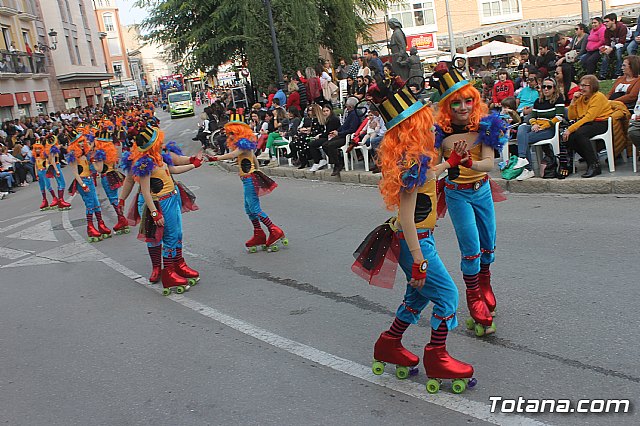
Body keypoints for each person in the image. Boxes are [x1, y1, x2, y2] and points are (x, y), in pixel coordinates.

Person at [352, 78, 475, 392]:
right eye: (424, 117)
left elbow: (429, 176)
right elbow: (406, 214)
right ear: (414, 125)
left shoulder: (417, 157)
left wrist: (452, 162)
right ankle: (437, 357)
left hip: (418, 239)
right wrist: (419, 260)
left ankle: (389, 342)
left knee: (418, 296)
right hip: (415, 241)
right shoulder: (411, 161)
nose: (431, 120)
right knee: (447, 296)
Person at [432, 61, 507, 336]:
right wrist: (450, 163)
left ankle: (485, 285)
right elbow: (434, 171)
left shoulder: (484, 127)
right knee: (472, 248)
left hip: (482, 190)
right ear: (447, 107)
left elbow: (489, 164)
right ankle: (474, 297)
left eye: (467, 101)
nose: (463, 108)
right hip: (457, 195)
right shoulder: (441, 135)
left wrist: (468, 164)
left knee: (489, 245)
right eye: (456, 103)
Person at [120, 122, 202, 290]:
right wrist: (155, 213)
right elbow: (143, 189)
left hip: (172, 198)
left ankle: (179, 265)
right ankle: (167, 271)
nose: (163, 144)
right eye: (159, 141)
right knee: (160, 237)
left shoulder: (160, 158)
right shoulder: (144, 164)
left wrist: (194, 163)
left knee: (177, 233)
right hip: (159, 202)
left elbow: (174, 168)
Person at [206, 114, 287, 253]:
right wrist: (258, 170)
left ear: (239, 132)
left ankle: (274, 230)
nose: (229, 136)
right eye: (228, 134)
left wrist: (215, 158)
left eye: (232, 133)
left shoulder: (243, 145)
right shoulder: (245, 144)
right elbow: (254, 158)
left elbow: (233, 155)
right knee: (249, 209)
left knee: (254, 208)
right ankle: (258, 234)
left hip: (249, 179)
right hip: (249, 178)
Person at [562, 75, 613, 178]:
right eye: (581, 85)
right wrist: (573, 102)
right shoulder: (581, 98)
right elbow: (572, 116)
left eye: (585, 86)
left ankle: (594, 165)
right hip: (586, 123)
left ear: (593, 86)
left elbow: (589, 117)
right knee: (570, 137)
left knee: (580, 134)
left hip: (601, 122)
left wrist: (570, 129)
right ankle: (591, 159)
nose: (581, 88)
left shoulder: (598, 97)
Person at [515, 77, 565, 180]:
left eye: (549, 87)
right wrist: (534, 124)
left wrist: (543, 126)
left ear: (554, 89)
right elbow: (532, 116)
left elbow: (559, 117)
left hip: (549, 129)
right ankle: (522, 159)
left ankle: (528, 169)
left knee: (524, 139)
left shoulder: (558, 99)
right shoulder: (538, 101)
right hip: (537, 126)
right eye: (544, 87)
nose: (546, 89)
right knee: (522, 128)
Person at [66, 128, 110, 242]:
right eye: (78, 142)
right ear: (74, 144)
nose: (81, 144)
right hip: (83, 181)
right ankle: (90, 227)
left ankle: (101, 225)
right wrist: (83, 184)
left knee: (96, 202)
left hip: (90, 180)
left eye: (82, 141)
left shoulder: (85, 155)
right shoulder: (74, 157)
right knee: (90, 204)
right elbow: (75, 173)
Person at [322, 97, 362, 176]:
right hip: (341, 134)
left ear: (350, 106)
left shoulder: (354, 115)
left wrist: (339, 133)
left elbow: (352, 129)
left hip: (346, 136)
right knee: (325, 145)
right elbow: (344, 126)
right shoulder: (349, 114)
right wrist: (337, 131)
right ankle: (338, 160)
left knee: (331, 145)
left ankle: (338, 164)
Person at [308, 104, 340, 172]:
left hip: (332, 137)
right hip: (328, 136)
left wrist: (319, 136)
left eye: (327, 111)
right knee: (312, 143)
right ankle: (318, 160)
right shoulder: (328, 119)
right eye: (324, 111)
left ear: (330, 111)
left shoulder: (333, 119)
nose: (325, 113)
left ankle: (319, 161)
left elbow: (329, 132)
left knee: (313, 144)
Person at [600, 13, 628, 80]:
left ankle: (617, 74)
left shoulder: (622, 27)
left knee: (618, 52)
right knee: (605, 55)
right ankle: (602, 75)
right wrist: (605, 49)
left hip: (626, 42)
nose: (605, 23)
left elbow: (622, 42)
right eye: (604, 22)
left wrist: (612, 48)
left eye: (607, 21)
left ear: (613, 21)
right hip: (615, 45)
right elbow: (607, 42)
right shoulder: (607, 31)